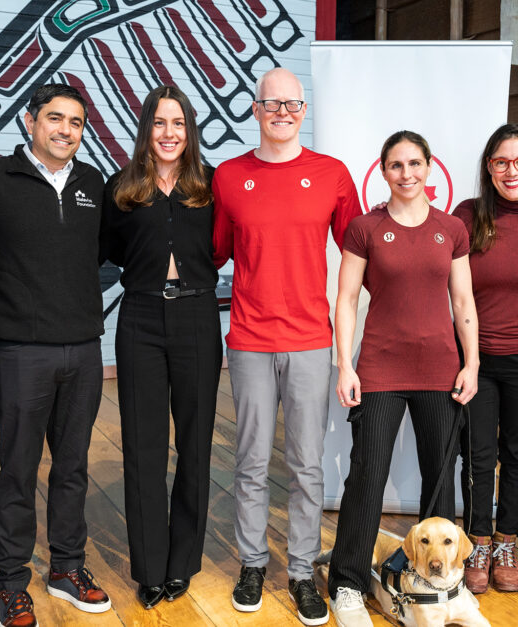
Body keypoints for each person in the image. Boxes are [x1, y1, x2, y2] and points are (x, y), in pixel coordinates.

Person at [0, 83, 110, 627]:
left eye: (76, 122)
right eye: (54, 118)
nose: (65, 129)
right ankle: (11, 581)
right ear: (30, 122)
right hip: (22, 352)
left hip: (85, 349)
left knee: (72, 468)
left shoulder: (94, 184)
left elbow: (113, 248)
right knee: (17, 470)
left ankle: (67, 567)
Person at [211, 67, 361, 626]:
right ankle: (253, 563)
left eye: (291, 104)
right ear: (254, 110)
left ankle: (301, 571)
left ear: (303, 110)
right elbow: (214, 254)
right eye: (270, 104)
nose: (281, 112)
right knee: (249, 463)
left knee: (305, 466)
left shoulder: (332, 175)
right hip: (249, 339)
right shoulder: (229, 176)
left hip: (309, 341)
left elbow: (360, 250)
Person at [326, 130, 479, 627]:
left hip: (439, 369)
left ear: (430, 168)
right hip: (380, 369)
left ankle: (445, 583)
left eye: (415, 164)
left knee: (441, 478)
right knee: (367, 475)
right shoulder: (365, 229)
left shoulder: (452, 228)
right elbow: (346, 299)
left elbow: (463, 302)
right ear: (383, 171)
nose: (407, 173)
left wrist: (471, 362)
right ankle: (347, 583)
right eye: (396, 165)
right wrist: (344, 363)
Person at [101, 85, 221, 610]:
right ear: (145, 129)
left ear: (189, 130)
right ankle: (150, 568)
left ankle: (182, 564)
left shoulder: (215, 185)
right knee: (143, 446)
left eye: (178, 123)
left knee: (195, 445)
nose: (169, 133)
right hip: (142, 318)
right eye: (159, 123)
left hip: (198, 315)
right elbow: (104, 250)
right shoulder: (121, 187)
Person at [451, 123, 518, 594]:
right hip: (475, 358)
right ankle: (477, 542)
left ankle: (505, 542)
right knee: (477, 455)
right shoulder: (468, 215)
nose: (511, 171)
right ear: (488, 167)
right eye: (501, 162)